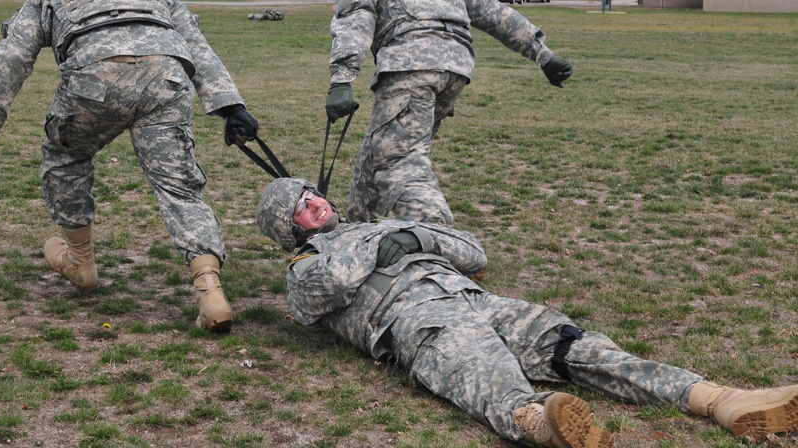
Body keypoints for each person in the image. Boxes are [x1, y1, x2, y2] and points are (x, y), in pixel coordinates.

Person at [256, 177, 798, 447]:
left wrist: (412, 231)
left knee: (582, 348)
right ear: (291, 229)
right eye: (302, 205)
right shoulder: (303, 269)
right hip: (419, 323)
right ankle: (541, 424)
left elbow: (473, 254)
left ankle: (716, 400)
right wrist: (382, 242)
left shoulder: (377, 227)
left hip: (481, 302)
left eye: (313, 191)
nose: (316, 200)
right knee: (483, 373)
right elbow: (323, 293)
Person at [0, 0, 259, 332]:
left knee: (66, 156)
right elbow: (195, 43)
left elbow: (13, 55)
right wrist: (228, 104)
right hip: (166, 79)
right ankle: (210, 292)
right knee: (179, 187)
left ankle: (81, 263)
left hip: (94, 81)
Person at [326, 0, 574, 228]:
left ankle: (439, 236)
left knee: (399, 161)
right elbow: (489, 9)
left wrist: (341, 79)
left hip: (409, 67)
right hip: (455, 69)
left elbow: (356, 14)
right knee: (378, 150)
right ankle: (356, 232)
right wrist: (541, 53)